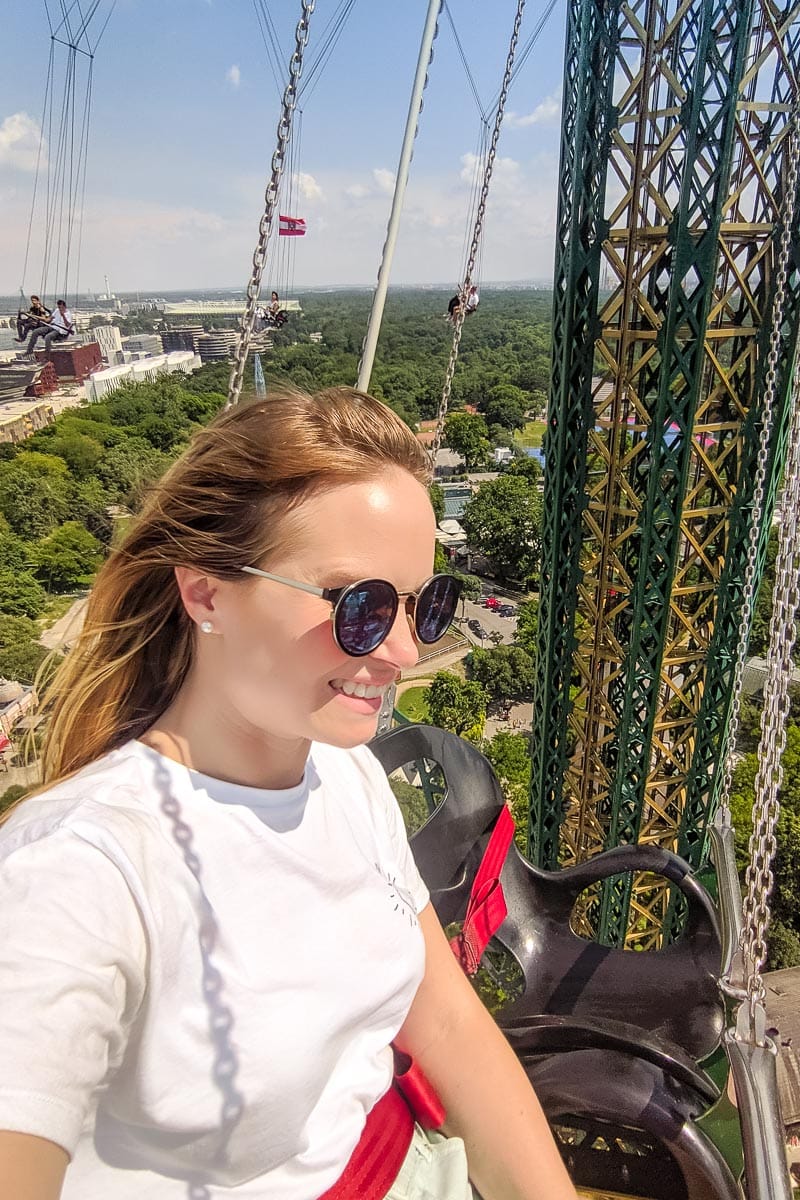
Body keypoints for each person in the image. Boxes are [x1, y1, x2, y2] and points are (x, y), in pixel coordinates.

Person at [0, 387, 578, 1200]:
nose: (404, 650)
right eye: (360, 606)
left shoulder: (346, 774)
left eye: (425, 604)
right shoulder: (78, 869)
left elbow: (446, 1023)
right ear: (204, 592)